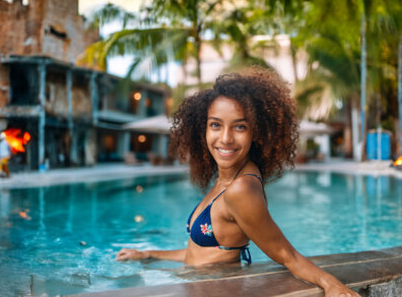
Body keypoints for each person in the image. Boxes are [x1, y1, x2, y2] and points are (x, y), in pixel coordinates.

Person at [115, 68, 359, 297]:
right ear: (203, 129)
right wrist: (147, 253)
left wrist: (331, 284)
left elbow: (288, 255)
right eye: (215, 125)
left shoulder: (241, 189)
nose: (225, 138)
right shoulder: (225, 178)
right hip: (197, 281)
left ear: (257, 133)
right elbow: (200, 252)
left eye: (239, 127)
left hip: (215, 290)